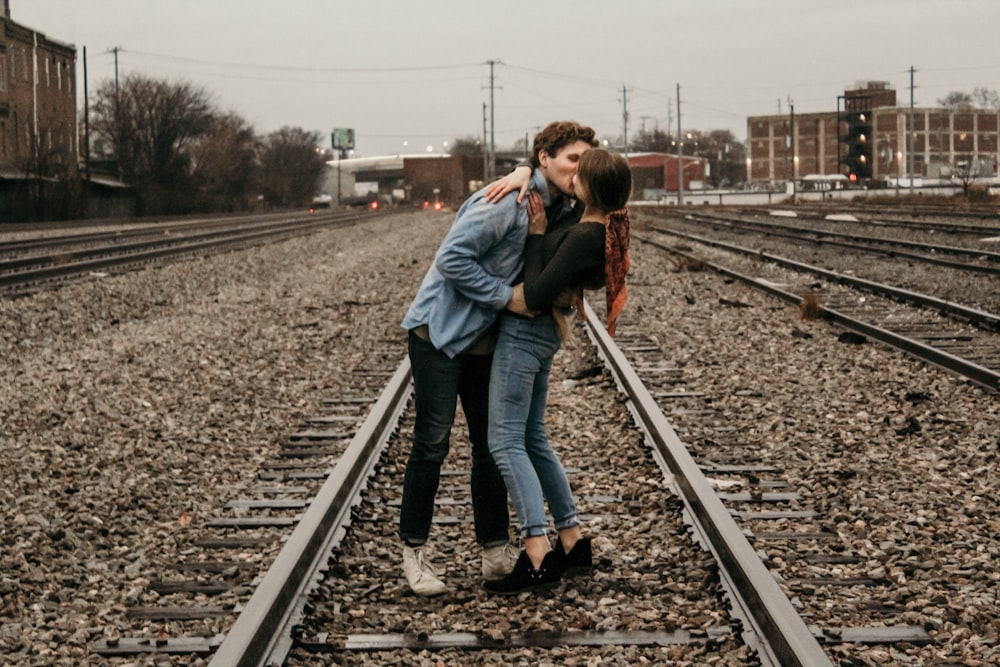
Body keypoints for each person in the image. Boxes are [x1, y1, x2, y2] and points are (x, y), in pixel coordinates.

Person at [398, 121, 600, 596]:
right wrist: (504, 297)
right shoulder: (505, 202)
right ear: (545, 157)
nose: (579, 168)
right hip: (441, 333)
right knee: (432, 442)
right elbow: (451, 259)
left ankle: (493, 551)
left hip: (484, 339)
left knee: (490, 446)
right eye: (572, 158)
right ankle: (414, 553)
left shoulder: (562, 204)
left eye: (584, 160)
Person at [482, 147, 632, 594]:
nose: (572, 177)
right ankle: (571, 540)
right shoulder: (589, 222)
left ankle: (537, 551)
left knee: (504, 442)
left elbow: (537, 292)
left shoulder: (588, 233)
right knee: (532, 438)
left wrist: (534, 234)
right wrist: (526, 169)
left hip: (527, 334)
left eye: (579, 173)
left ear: (589, 187)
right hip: (541, 336)